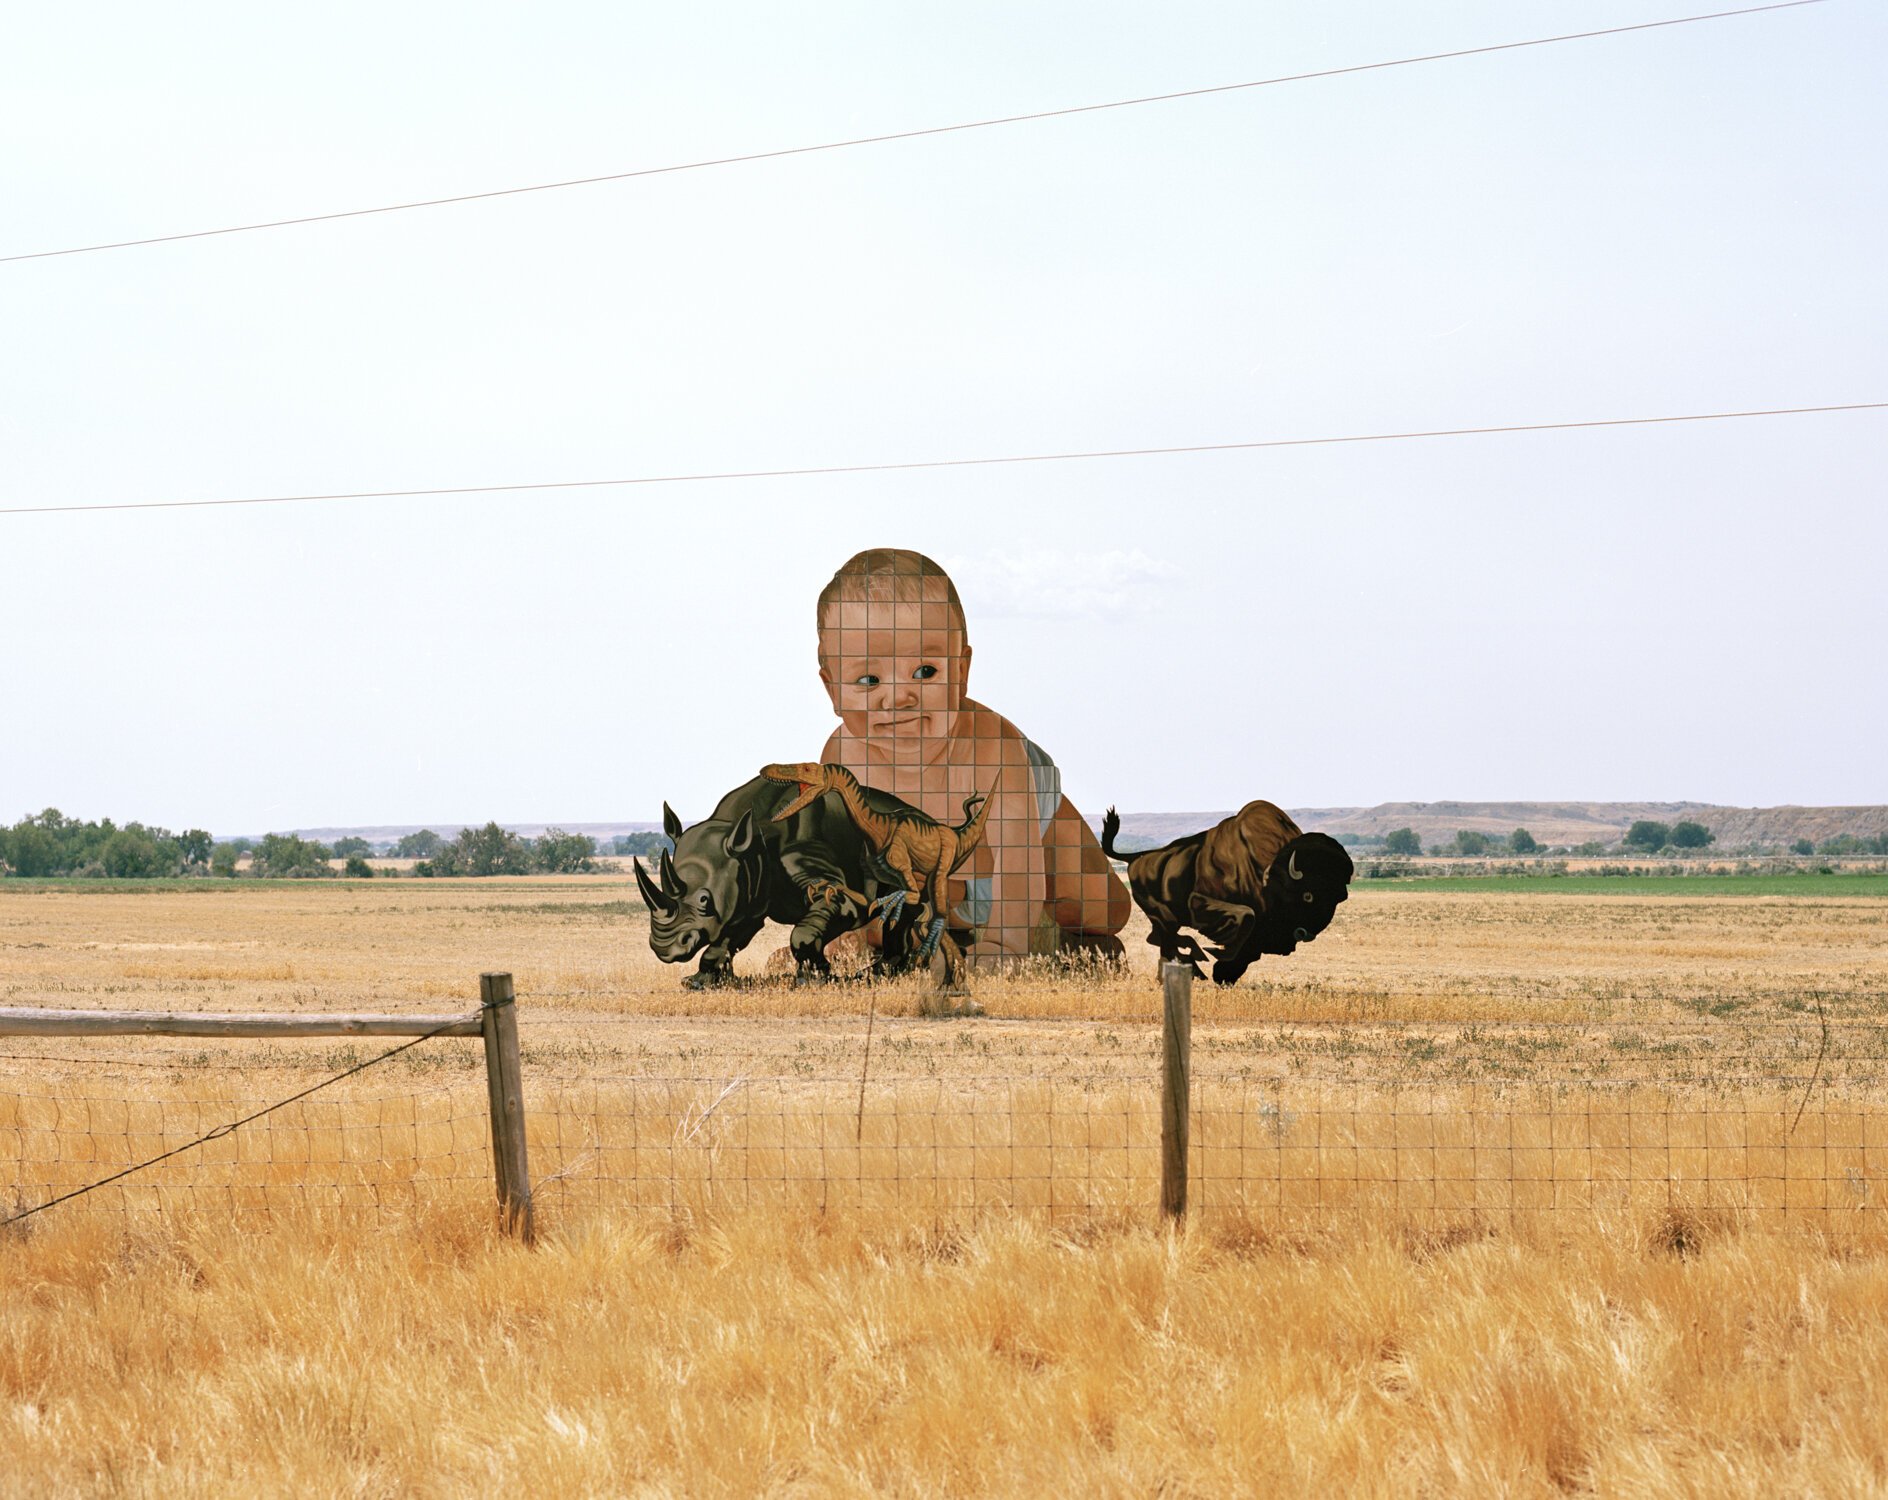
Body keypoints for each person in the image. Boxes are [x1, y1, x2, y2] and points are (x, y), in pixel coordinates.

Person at [814, 547, 1128, 968]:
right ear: (831, 688)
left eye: (925, 671)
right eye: (868, 680)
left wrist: (1004, 946)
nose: (899, 697)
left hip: (1031, 841)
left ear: (961, 670)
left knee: (1102, 910)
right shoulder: (841, 757)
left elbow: (1018, 858)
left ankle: (1044, 936)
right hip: (942, 877)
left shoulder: (991, 748)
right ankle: (949, 920)